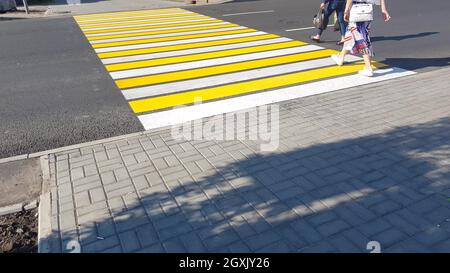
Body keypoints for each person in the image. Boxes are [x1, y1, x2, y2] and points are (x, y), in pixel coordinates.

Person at [331, 0, 391, 77]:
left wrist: (346, 11)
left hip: (356, 11)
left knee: (361, 38)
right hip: (367, 11)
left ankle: (368, 67)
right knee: (350, 33)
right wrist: (383, 9)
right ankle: (341, 57)